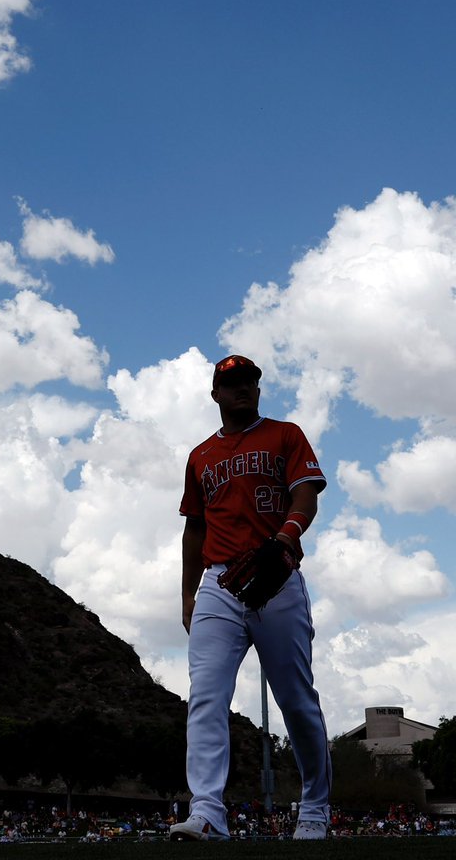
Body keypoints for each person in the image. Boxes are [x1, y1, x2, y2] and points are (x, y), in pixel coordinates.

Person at [170, 354, 331, 842]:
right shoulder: (200, 455)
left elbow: (307, 494)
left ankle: (315, 809)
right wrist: (186, 598)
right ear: (216, 394)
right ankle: (207, 812)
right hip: (219, 582)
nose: (243, 388)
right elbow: (194, 529)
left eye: (250, 382)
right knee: (206, 696)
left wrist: (286, 535)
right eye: (233, 383)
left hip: (275, 573)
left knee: (296, 700)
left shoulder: (285, 434)